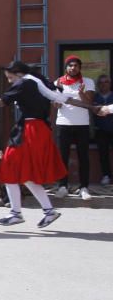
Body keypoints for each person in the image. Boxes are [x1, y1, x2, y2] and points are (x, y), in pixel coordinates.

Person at [0, 61, 72, 228]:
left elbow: (0, 103)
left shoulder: (24, 82)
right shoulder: (35, 81)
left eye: (10, 77)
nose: (10, 81)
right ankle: (47, 211)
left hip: (29, 129)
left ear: (18, 73)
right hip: (37, 129)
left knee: (8, 168)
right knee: (26, 175)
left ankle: (16, 213)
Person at [53, 55, 95, 199]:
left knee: (83, 157)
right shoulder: (58, 82)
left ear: (79, 68)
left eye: (76, 65)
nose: (73, 68)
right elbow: (56, 104)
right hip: (63, 124)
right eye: (70, 65)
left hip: (82, 124)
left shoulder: (87, 82)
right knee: (62, 157)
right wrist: (57, 103)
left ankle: (84, 188)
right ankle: (62, 186)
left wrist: (81, 93)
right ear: (66, 68)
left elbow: (89, 103)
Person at [93, 74, 113, 186]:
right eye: (101, 82)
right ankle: (106, 176)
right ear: (98, 85)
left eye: (106, 82)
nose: (103, 84)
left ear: (110, 84)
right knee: (103, 154)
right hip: (101, 130)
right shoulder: (94, 98)